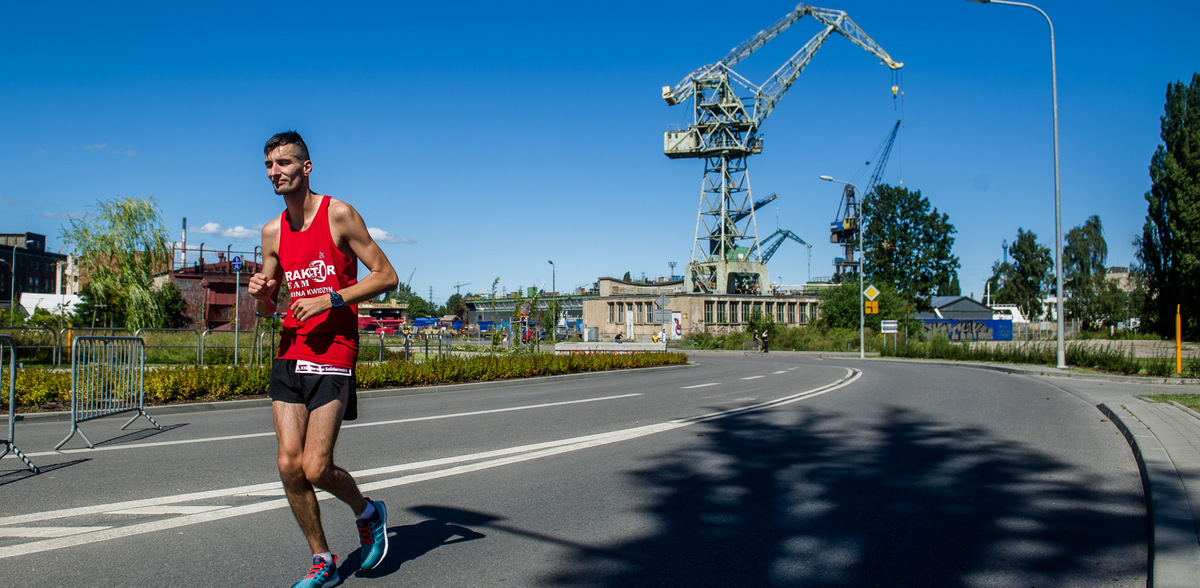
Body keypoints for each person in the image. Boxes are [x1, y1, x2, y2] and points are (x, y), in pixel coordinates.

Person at [249, 131, 399, 588]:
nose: (275, 172)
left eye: (284, 163)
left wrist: (330, 298)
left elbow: (386, 276)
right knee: (288, 464)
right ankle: (322, 560)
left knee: (316, 466)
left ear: (306, 167)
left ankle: (368, 512)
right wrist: (260, 295)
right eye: (269, 165)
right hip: (291, 349)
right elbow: (268, 308)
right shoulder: (272, 231)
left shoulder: (339, 214)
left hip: (334, 350)